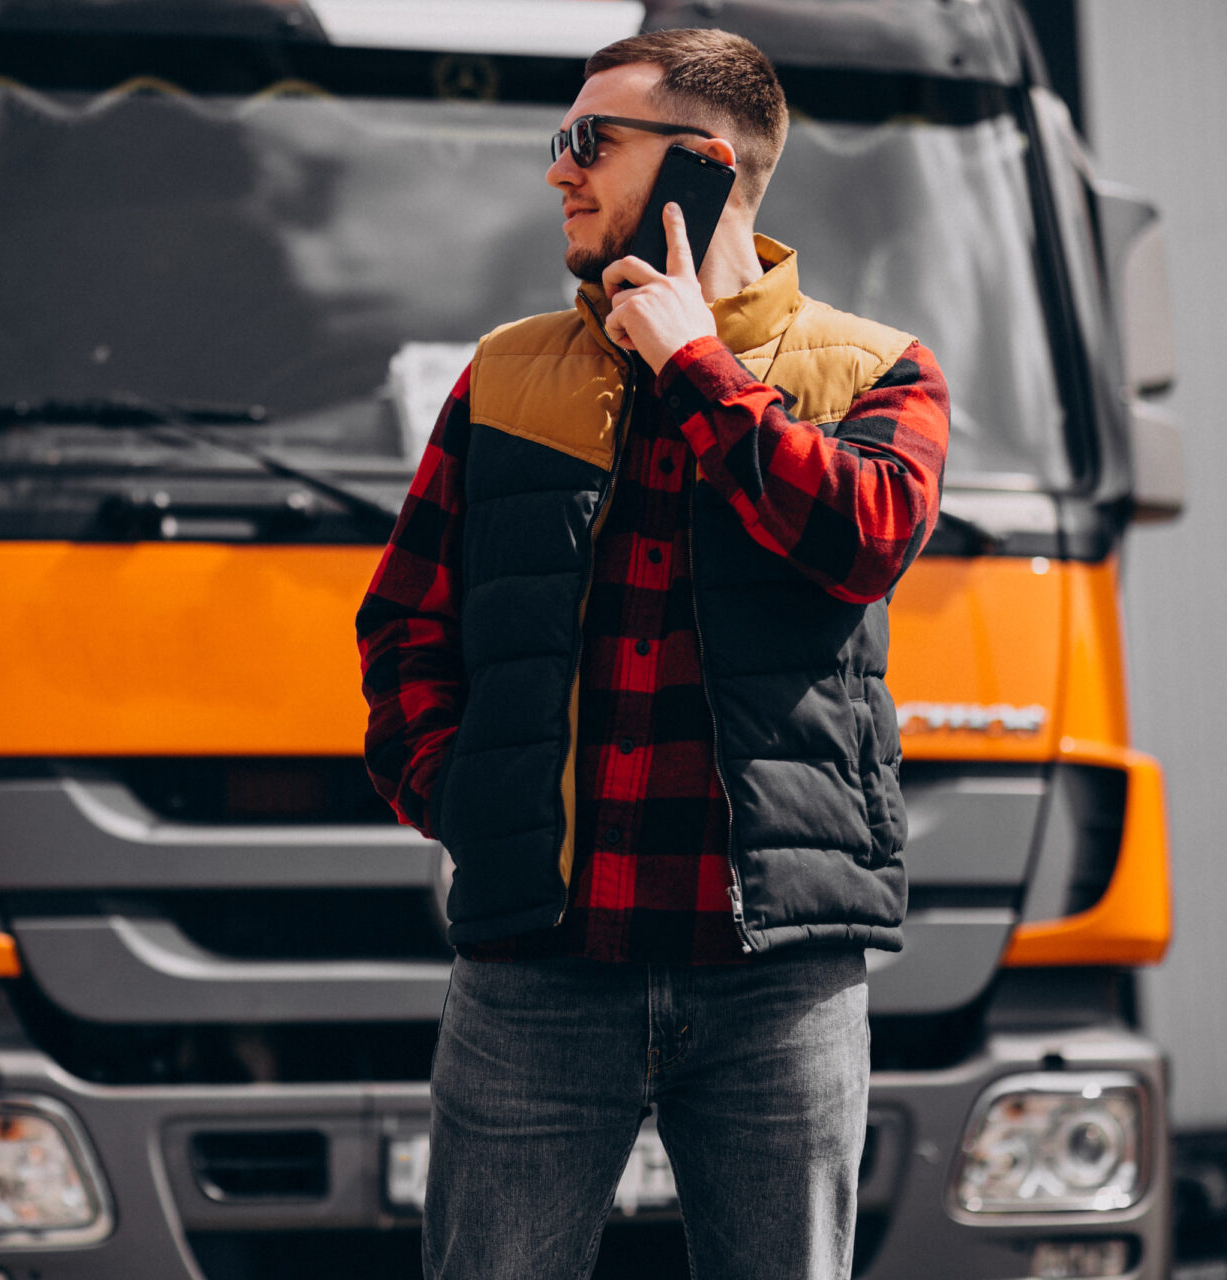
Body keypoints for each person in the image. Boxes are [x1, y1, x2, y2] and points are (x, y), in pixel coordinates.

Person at [354, 27, 950, 1280]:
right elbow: (404, 619)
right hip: (537, 975)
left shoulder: (879, 368)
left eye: (588, 143)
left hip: (776, 981)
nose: (558, 173)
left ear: (703, 167)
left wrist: (695, 363)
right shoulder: (503, 377)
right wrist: (471, 805)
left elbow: (862, 535)